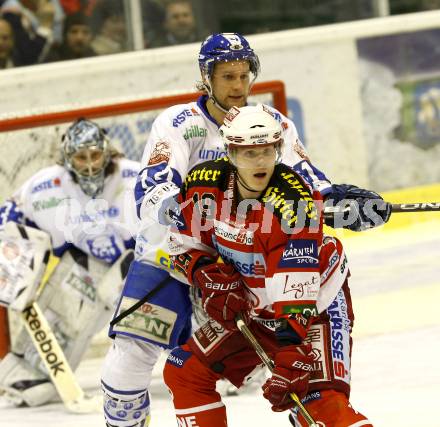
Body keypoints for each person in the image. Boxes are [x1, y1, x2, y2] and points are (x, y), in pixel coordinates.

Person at [101, 32, 390, 427]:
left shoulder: (272, 126)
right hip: (179, 251)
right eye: (227, 77)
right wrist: (192, 221)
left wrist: (339, 202)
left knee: (293, 382)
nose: (237, 86)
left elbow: (306, 182)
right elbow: (154, 188)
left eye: (243, 76)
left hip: (249, 260)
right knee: (130, 357)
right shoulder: (179, 122)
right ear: (207, 78)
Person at [163, 104, 372, 427]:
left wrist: (290, 350)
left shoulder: (293, 202)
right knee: (185, 370)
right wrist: (203, 273)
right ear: (230, 153)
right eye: (249, 153)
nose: (260, 161)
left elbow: (296, 285)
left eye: (267, 151)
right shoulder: (204, 184)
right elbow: (180, 245)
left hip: (315, 307)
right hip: (254, 303)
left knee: (319, 404)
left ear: (278, 149)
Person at [0, 118, 139, 406]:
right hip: (88, 265)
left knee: (173, 314)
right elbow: (9, 215)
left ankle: (204, 363)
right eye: (80, 157)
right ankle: (27, 376)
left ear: (107, 152)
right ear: (67, 159)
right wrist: (11, 261)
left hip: (140, 264)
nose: (89, 165)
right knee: (63, 321)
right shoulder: (46, 185)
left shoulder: (134, 177)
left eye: (95, 155)